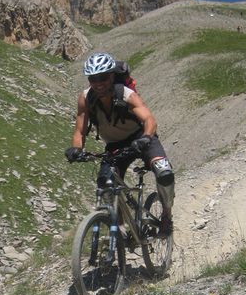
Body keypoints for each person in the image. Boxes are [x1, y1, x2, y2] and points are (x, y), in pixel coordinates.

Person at [65, 51, 175, 234]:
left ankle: (167, 215)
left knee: (164, 171)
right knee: (106, 185)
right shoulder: (86, 98)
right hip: (115, 146)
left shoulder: (126, 94)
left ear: (112, 76)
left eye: (103, 77)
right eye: (93, 79)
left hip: (141, 139)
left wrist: (146, 137)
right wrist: (76, 149)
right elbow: (80, 130)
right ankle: (122, 228)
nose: (99, 83)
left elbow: (149, 120)